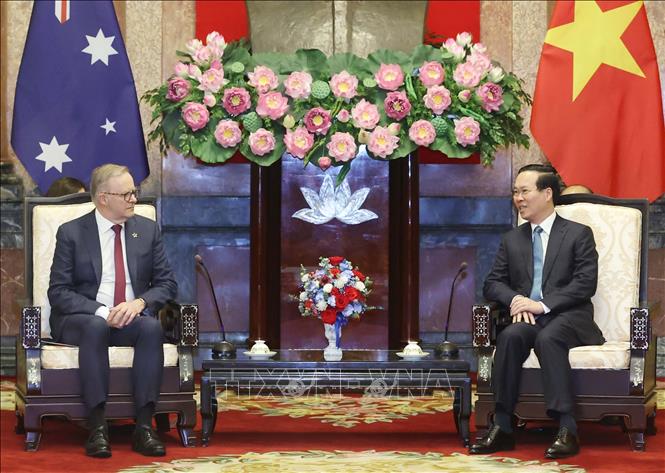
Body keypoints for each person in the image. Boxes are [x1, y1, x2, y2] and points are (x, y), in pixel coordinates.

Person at [469, 164, 604, 459]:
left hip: (569, 317)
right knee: (511, 336)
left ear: (547, 193)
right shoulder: (513, 238)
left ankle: (567, 427)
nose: (519, 198)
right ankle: (502, 425)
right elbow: (493, 283)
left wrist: (542, 304)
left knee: (549, 338)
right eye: (515, 192)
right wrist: (517, 298)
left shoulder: (578, 234)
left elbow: (585, 284)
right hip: (528, 318)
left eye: (525, 191)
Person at [48, 164, 177, 458]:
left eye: (135, 192)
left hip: (131, 318)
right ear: (103, 198)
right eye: (127, 194)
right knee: (95, 326)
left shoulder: (145, 229)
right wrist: (102, 311)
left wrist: (139, 304)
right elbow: (58, 292)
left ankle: (144, 428)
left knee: (151, 327)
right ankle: (97, 428)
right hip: (83, 319)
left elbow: (167, 283)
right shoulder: (72, 233)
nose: (134, 199)